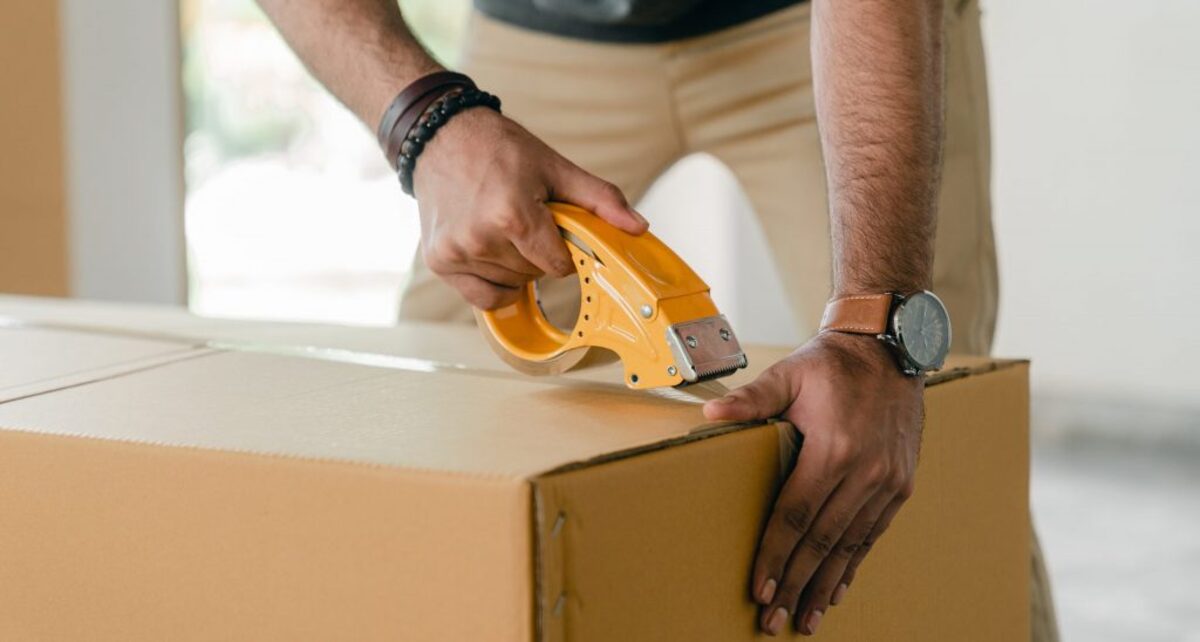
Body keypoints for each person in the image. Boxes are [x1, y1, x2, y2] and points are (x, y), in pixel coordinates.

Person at [258, 0, 1056, 638]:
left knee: (922, 424)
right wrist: (427, 122)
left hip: (812, 23)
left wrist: (876, 327)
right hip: (542, 30)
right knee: (446, 398)